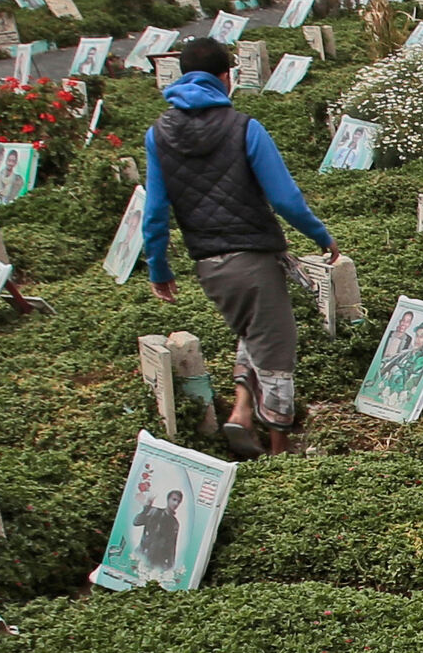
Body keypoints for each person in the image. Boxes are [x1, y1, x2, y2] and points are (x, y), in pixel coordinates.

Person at [141, 37, 334, 453]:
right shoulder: (244, 127)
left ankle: (243, 411)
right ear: (226, 77)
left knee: (252, 330)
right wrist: (321, 236)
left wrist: (159, 268)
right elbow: (285, 199)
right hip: (254, 258)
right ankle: (280, 447)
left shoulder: (158, 135)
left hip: (209, 265)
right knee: (277, 349)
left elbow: (154, 211)